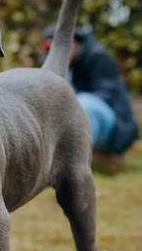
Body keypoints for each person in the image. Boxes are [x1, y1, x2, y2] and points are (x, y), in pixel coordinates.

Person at [42, 26, 139, 158]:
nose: (53, 55)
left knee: (83, 104)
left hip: (113, 127)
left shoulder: (98, 56)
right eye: (49, 50)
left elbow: (108, 95)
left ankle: (73, 163)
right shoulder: (59, 66)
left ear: (73, 43)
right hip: (81, 123)